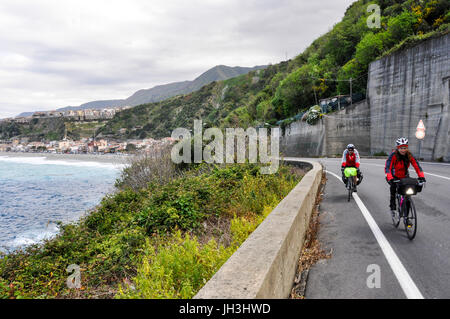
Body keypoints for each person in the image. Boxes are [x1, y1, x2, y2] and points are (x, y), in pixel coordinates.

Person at [385, 137, 426, 214]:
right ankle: (392, 207)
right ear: (398, 148)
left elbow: (417, 166)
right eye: (401, 148)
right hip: (394, 177)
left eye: (405, 148)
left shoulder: (409, 155)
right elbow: (388, 168)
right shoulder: (393, 155)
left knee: (408, 194)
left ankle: (407, 217)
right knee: (393, 189)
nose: (403, 150)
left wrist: (421, 176)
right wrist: (390, 178)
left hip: (405, 176)